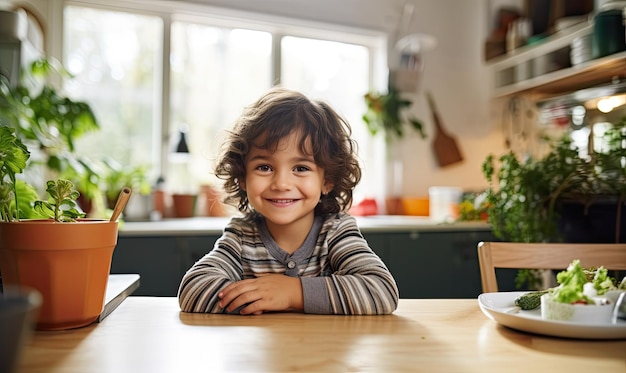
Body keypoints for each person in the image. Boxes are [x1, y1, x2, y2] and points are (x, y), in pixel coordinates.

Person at [177, 87, 399, 315]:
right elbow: (194, 290)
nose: (281, 184)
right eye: (264, 167)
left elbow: (381, 291)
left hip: (323, 350)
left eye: (301, 168)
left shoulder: (335, 232)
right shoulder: (241, 236)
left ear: (327, 180)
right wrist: (262, 297)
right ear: (243, 177)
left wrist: (293, 293)